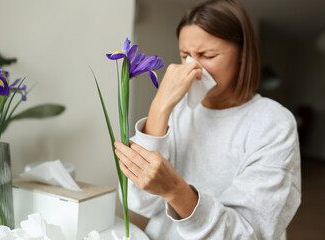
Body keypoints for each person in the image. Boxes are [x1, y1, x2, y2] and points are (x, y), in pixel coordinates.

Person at [114, 0, 301, 239]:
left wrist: (175, 190)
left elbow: (250, 234)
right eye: (185, 55)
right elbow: (137, 201)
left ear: (243, 54)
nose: (193, 67)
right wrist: (159, 108)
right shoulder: (177, 110)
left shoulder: (272, 123)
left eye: (207, 55)